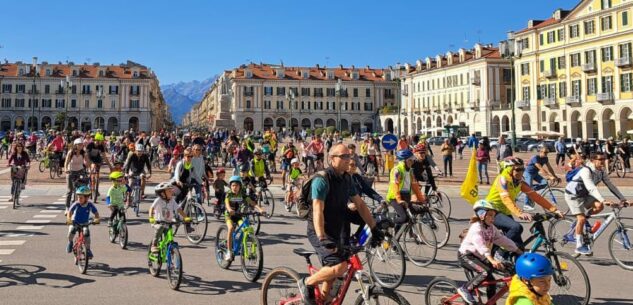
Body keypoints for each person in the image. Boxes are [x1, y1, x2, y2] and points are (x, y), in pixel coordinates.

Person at [298, 143, 381, 305]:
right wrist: (322, 237)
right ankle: (306, 283)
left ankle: (323, 300)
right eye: (343, 157)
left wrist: (374, 228)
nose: (347, 159)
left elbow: (361, 205)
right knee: (339, 267)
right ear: (331, 159)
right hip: (318, 230)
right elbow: (317, 210)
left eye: (349, 156)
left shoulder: (346, 179)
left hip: (336, 229)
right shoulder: (322, 180)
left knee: (334, 273)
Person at [486, 157, 564, 247]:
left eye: (523, 169)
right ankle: (498, 250)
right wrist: (520, 213)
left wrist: (555, 210)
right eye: (518, 169)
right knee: (516, 227)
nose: (521, 172)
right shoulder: (502, 180)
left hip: (505, 212)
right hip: (491, 211)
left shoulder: (520, 182)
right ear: (508, 170)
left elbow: (536, 197)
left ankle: (506, 253)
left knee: (519, 247)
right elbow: (506, 199)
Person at [457, 200, 522, 304]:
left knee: (492, 282)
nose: (493, 219)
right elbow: (481, 246)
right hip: (467, 256)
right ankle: (465, 289)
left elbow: (502, 239)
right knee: (484, 272)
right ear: (482, 215)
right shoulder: (476, 228)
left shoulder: (491, 228)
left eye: (494, 216)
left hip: (480, 257)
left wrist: (517, 250)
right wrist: (492, 260)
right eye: (490, 215)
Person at [564, 152, 628, 255]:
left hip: (584, 194)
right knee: (581, 218)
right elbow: (591, 187)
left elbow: (611, 186)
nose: (603, 161)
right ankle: (579, 246)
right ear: (592, 160)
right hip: (573, 195)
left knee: (599, 206)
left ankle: (582, 224)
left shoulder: (602, 171)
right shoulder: (586, 170)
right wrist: (603, 199)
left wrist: (622, 199)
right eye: (600, 159)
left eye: (604, 159)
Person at [223, 176, 266, 261]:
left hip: (239, 215)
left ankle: (243, 247)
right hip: (229, 215)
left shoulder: (242, 194)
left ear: (240, 186)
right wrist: (230, 209)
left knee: (245, 229)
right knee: (231, 228)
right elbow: (227, 203)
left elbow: (251, 202)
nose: (235, 187)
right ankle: (228, 251)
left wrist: (260, 209)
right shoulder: (229, 194)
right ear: (230, 186)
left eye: (237, 186)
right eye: (233, 185)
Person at [386, 149, 426, 229]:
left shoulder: (410, 171)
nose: (412, 162)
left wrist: (422, 199)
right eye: (410, 160)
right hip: (394, 197)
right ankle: (387, 222)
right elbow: (395, 186)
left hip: (406, 196)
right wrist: (399, 200)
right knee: (404, 218)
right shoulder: (397, 170)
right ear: (404, 161)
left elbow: (415, 186)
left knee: (420, 210)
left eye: (413, 160)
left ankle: (396, 239)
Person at [148, 182, 190, 253]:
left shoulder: (172, 201)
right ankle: (154, 245)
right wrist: (151, 217)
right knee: (159, 228)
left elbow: (179, 209)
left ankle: (170, 248)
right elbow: (151, 208)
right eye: (169, 191)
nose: (172, 192)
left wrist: (185, 217)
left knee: (169, 235)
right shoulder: (158, 200)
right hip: (158, 222)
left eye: (171, 190)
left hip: (168, 222)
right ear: (162, 193)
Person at [66, 186, 100, 258]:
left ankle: (88, 249)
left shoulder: (90, 205)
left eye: (81, 198)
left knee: (86, 234)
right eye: (78, 197)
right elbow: (70, 212)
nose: (79, 199)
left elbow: (96, 213)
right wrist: (69, 219)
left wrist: (96, 219)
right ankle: (70, 242)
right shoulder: (76, 204)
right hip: (75, 222)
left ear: (87, 198)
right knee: (72, 230)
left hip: (85, 223)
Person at [64, 138, 89, 210]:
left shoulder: (83, 153)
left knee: (79, 189)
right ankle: (67, 207)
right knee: (70, 190)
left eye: (82, 145)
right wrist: (66, 169)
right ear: (75, 145)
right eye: (79, 145)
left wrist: (88, 165)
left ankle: (77, 205)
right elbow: (66, 162)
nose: (81, 146)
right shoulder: (70, 152)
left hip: (80, 171)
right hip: (71, 171)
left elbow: (87, 163)